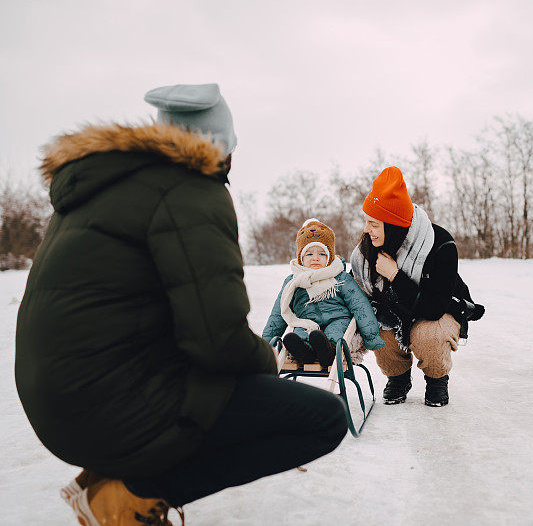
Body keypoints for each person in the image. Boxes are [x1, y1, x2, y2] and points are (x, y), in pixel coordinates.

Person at [15, 83, 348, 525]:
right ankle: (130, 496)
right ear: (221, 147)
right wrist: (266, 362)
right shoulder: (191, 191)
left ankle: (113, 479)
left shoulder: (102, 187)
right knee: (322, 419)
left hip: (54, 404)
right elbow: (216, 339)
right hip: (108, 407)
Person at [350, 166, 484, 407]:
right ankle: (398, 377)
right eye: (366, 222)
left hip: (438, 311)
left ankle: (436, 379)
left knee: (428, 334)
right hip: (396, 312)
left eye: (373, 224)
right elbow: (356, 293)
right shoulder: (369, 248)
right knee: (378, 327)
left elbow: (433, 307)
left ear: (391, 225)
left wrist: (395, 276)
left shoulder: (440, 244)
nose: (366, 230)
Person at [261, 218, 384, 365]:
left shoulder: (340, 278)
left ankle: (329, 351)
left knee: (335, 333)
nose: (316, 259)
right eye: (309, 254)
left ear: (330, 257)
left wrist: (372, 337)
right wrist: (266, 344)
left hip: (337, 319)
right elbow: (278, 313)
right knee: (300, 333)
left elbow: (360, 305)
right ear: (300, 258)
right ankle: (304, 352)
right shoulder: (293, 282)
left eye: (322, 254)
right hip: (305, 322)